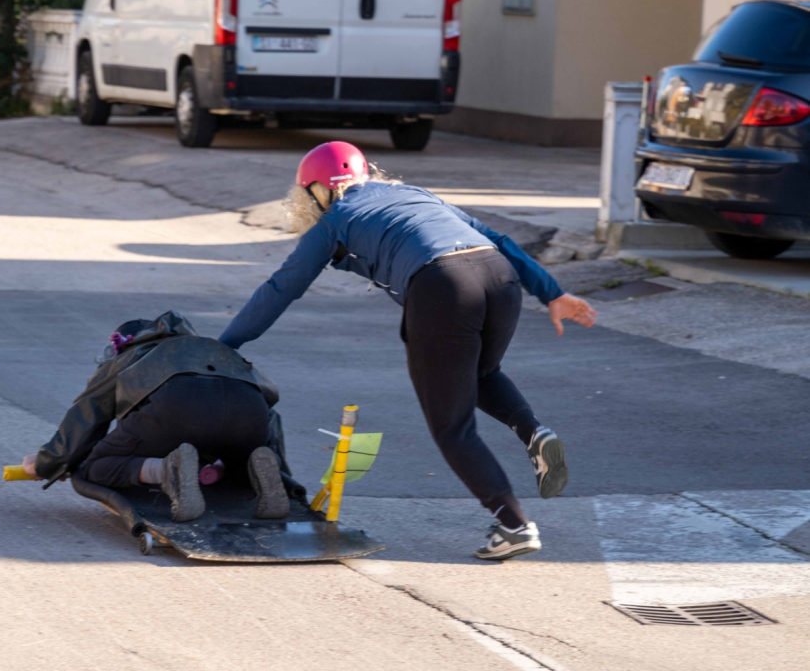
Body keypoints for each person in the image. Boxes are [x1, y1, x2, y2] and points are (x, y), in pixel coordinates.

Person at [218, 141, 597, 560]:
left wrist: (225, 346)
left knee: (452, 427)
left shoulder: (337, 219)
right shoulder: (414, 193)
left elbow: (280, 289)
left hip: (443, 287)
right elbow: (499, 239)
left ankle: (514, 525)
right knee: (481, 373)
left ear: (318, 192)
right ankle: (534, 433)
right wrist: (552, 293)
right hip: (499, 278)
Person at [22, 311, 303, 522]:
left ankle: (167, 471)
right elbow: (270, 410)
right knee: (243, 453)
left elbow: (86, 415)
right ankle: (257, 468)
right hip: (248, 411)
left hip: (177, 408)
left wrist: (49, 463)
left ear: (123, 344)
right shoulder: (212, 351)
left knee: (95, 466)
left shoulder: (131, 356)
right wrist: (282, 473)